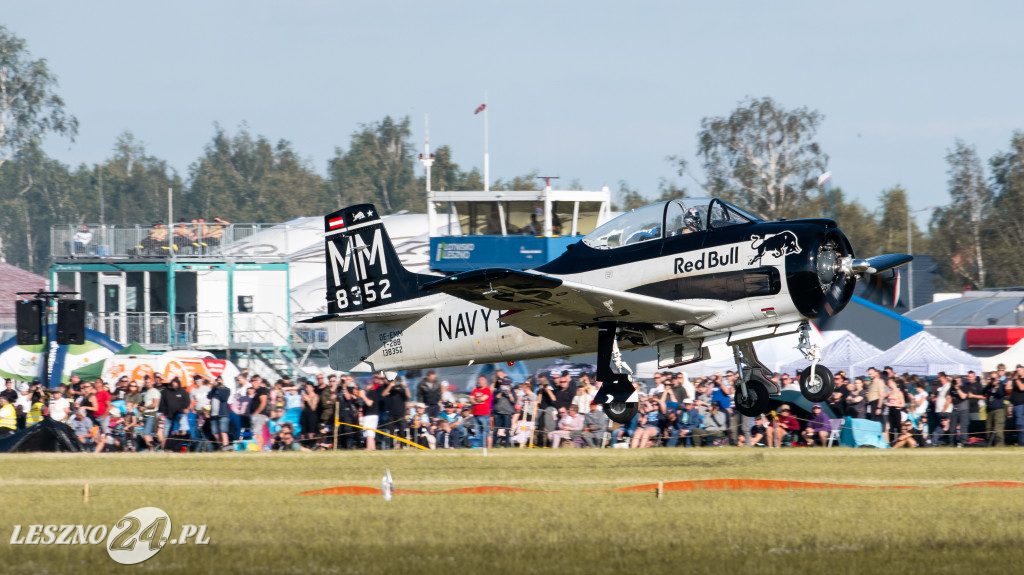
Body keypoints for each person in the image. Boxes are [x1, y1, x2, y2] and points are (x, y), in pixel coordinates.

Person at [208, 376, 232, 450]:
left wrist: (219, 388)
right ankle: (221, 446)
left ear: (223, 381)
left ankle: (226, 446)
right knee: (215, 433)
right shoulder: (214, 390)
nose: (218, 382)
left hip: (223, 414)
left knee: (223, 431)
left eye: (220, 380)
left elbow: (223, 398)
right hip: (214, 414)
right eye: (217, 381)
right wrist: (214, 387)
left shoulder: (226, 389)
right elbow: (209, 396)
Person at [469, 375, 493, 449]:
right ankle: (480, 447)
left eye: (482, 380)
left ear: (485, 381)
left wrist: (476, 400)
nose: (480, 382)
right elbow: (471, 400)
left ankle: (489, 448)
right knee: (477, 433)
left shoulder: (487, 390)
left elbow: (482, 399)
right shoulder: (475, 390)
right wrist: (477, 401)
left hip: (485, 414)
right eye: (479, 380)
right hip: (476, 415)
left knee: (487, 432)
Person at [985, 372, 1008, 446]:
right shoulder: (989, 386)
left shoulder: (1001, 384)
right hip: (990, 410)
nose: (993, 380)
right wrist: (988, 384)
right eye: (992, 378)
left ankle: (1000, 445)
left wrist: (996, 387)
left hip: (999, 410)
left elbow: (1001, 394)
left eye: (994, 378)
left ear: (997, 378)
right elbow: (984, 392)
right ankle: (989, 444)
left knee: (998, 428)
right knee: (988, 428)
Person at [492, 376, 516, 447]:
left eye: (506, 385)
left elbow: (513, 401)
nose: (504, 386)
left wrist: (509, 392)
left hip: (507, 413)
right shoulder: (498, 391)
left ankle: (506, 445)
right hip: (498, 413)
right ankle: (493, 444)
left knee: (507, 430)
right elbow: (496, 399)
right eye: (503, 384)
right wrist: (501, 391)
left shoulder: (512, 392)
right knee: (495, 430)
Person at [248, 376, 271, 449]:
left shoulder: (262, 390)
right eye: (251, 381)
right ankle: (260, 449)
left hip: (259, 415)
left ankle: (260, 449)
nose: (252, 383)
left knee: (257, 434)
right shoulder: (257, 391)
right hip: (258, 415)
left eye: (253, 381)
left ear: (258, 381)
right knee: (257, 433)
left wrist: (255, 414)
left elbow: (263, 403)